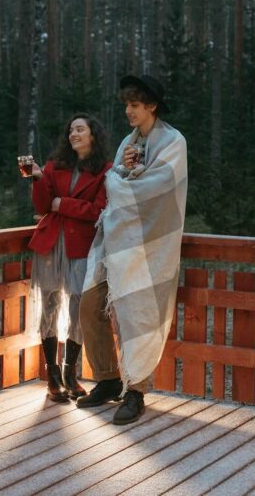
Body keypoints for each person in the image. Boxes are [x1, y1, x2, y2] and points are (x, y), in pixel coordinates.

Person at [76, 75, 188, 425]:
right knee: (90, 304)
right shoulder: (129, 139)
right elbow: (120, 180)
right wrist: (122, 168)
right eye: (126, 105)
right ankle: (109, 377)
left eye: (134, 105)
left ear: (151, 106)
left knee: (139, 313)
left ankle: (135, 390)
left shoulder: (173, 141)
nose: (128, 111)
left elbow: (159, 188)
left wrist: (122, 175)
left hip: (152, 244)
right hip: (117, 244)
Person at [27, 114, 112, 403]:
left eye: (80, 129)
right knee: (49, 303)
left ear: (92, 135)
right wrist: (38, 179)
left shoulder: (105, 170)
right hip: (51, 244)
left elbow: (98, 210)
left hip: (81, 246)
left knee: (79, 304)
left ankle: (70, 373)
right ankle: (52, 376)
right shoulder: (54, 166)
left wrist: (61, 204)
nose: (74, 134)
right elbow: (41, 204)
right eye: (71, 130)